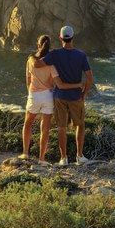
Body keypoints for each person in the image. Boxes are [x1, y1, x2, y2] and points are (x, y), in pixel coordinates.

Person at [34, 25, 93, 166]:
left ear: (60, 38)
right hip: (76, 97)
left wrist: (40, 51)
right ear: (73, 37)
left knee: (61, 127)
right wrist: (84, 94)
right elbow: (90, 78)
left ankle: (63, 158)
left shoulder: (54, 54)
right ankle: (79, 156)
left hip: (60, 96)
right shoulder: (81, 55)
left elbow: (37, 64)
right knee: (80, 126)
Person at [20, 35, 82, 164]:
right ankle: (42, 158)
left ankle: (25, 153)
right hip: (48, 96)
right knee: (45, 129)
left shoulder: (30, 60)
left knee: (28, 124)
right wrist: (78, 85)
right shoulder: (51, 64)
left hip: (34, 95)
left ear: (38, 45)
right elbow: (59, 84)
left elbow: (28, 80)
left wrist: (31, 93)